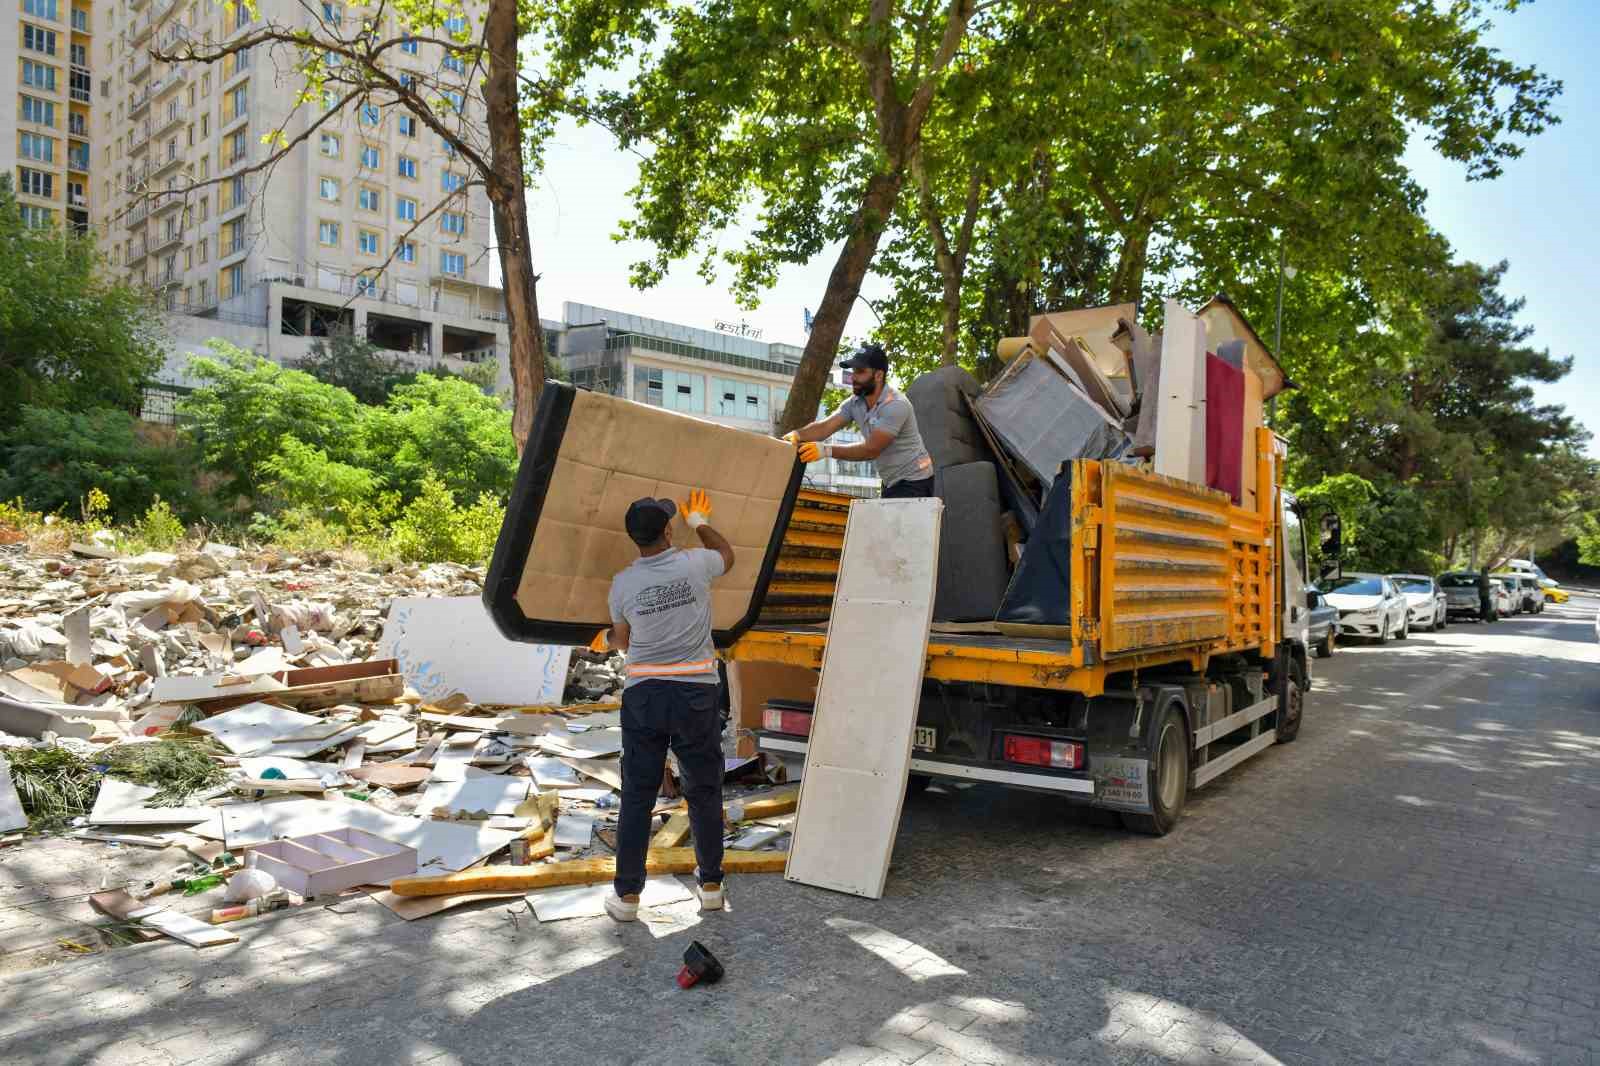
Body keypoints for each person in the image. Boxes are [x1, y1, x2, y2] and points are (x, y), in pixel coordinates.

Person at [591, 489, 735, 922]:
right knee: (704, 790)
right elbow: (727, 555)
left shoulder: (622, 584)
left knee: (638, 795)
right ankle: (711, 886)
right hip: (696, 694)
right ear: (669, 531)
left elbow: (624, 641)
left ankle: (627, 898)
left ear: (634, 538)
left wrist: (604, 640)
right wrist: (700, 523)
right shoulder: (696, 564)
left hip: (645, 696)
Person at [784, 342, 936, 498]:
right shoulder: (855, 402)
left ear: (879, 375)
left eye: (860, 371)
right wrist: (797, 435)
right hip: (891, 481)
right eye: (853, 371)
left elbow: (871, 450)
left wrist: (825, 450)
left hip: (915, 480)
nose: (853, 377)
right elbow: (825, 427)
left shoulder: (895, 404)